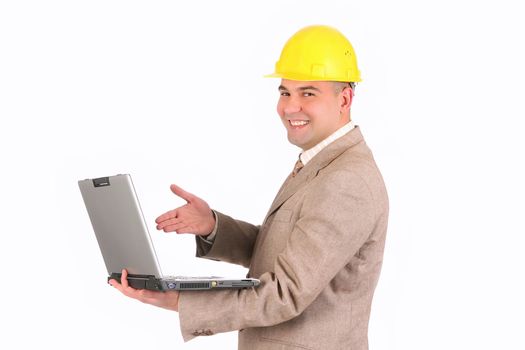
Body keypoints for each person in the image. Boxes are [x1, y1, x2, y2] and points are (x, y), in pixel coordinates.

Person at [110, 25, 389, 350]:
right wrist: (214, 227)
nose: (290, 107)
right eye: (285, 92)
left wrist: (179, 302)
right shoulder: (322, 163)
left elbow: (286, 293)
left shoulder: (346, 180)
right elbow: (286, 252)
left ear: (345, 98)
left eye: (308, 93)